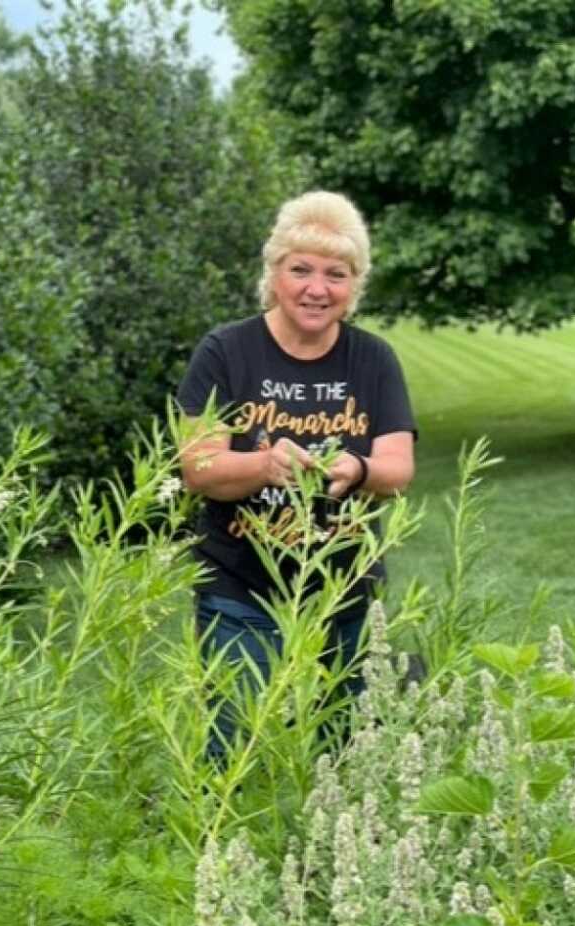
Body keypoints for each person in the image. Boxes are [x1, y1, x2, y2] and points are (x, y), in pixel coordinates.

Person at [177, 190, 417, 760]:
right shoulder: (226, 352)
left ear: (353, 287)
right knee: (232, 744)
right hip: (241, 587)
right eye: (301, 269)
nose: (317, 288)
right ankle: (223, 842)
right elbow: (198, 466)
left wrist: (357, 470)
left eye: (336, 274)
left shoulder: (373, 359)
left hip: (344, 591)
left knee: (349, 751)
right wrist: (267, 465)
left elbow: (398, 468)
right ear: (274, 274)